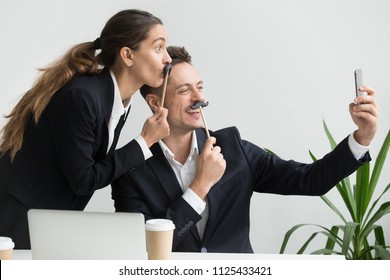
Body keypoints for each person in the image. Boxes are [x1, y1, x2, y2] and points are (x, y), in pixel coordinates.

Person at [111, 46, 379, 253]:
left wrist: (361, 138)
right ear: (155, 103)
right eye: (184, 90)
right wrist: (200, 187)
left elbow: (309, 179)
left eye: (200, 87)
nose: (199, 99)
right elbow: (145, 249)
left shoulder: (233, 148)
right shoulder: (130, 169)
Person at [0, 9, 171, 249]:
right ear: (128, 55)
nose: (167, 59)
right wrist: (144, 142)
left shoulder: (117, 102)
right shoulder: (82, 97)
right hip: (15, 219)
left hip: (45, 221)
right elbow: (83, 179)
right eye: (158, 48)